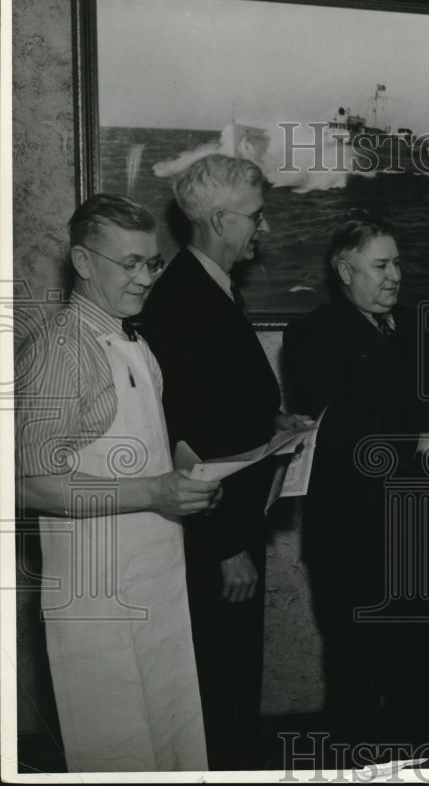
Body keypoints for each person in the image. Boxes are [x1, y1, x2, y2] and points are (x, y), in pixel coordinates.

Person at [15, 194, 220, 772]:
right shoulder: (59, 349)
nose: (144, 277)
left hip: (155, 585)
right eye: (127, 263)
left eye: (151, 263)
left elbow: (139, 455)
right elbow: (28, 486)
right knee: (116, 750)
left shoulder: (136, 343)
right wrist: (154, 494)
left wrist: (189, 476)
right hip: (96, 598)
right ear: (82, 262)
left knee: (173, 735)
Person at [282, 211, 429, 746]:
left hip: (421, 533)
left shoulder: (419, 326)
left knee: (418, 669)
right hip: (351, 536)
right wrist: (413, 443)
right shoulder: (310, 335)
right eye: (381, 265)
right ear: (345, 271)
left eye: (398, 264)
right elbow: (333, 423)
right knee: (354, 673)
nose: (394, 276)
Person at [140, 155, 301, 769]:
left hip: (227, 525)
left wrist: (273, 420)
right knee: (219, 688)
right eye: (256, 218)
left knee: (230, 683)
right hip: (216, 536)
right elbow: (183, 440)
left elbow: (219, 406)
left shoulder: (209, 289)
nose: (265, 229)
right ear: (217, 220)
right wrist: (226, 545)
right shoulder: (184, 300)